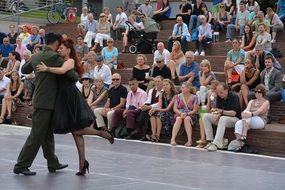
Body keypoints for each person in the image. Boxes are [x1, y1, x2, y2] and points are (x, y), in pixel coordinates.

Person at [35, 38, 114, 176]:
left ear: (69, 50)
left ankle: (101, 133)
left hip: (70, 97)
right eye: (58, 48)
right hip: (63, 98)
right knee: (76, 132)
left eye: (61, 48)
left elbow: (62, 70)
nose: (59, 50)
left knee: (77, 131)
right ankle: (82, 164)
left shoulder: (70, 61)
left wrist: (46, 68)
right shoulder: (59, 59)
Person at [13, 33, 74, 176]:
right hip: (46, 101)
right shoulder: (54, 57)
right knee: (36, 135)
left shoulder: (36, 55)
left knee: (46, 133)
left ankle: (52, 162)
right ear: (57, 43)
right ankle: (21, 165)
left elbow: (24, 70)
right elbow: (73, 76)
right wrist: (67, 60)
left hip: (41, 99)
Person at [202, 82, 241, 151]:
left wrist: (221, 112)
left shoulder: (234, 96)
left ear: (226, 90)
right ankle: (210, 141)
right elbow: (217, 110)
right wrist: (217, 114)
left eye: (221, 92)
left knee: (223, 118)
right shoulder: (219, 97)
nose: (220, 95)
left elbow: (234, 113)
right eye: (218, 93)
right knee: (205, 116)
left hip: (235, 120)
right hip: (223, 118)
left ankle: (216, 144)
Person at [170, 82, 199, 146]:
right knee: (178, 119)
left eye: (183, 88)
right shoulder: (178, 96)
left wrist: (187, 114)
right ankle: (173, 139)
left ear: (188, 89)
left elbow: (195, 110)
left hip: (190, 114)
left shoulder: (194, 97)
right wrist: (180, 113)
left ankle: (189, 140)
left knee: (187, 119)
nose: (181, 89)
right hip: (179, 113)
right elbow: (175, 109)